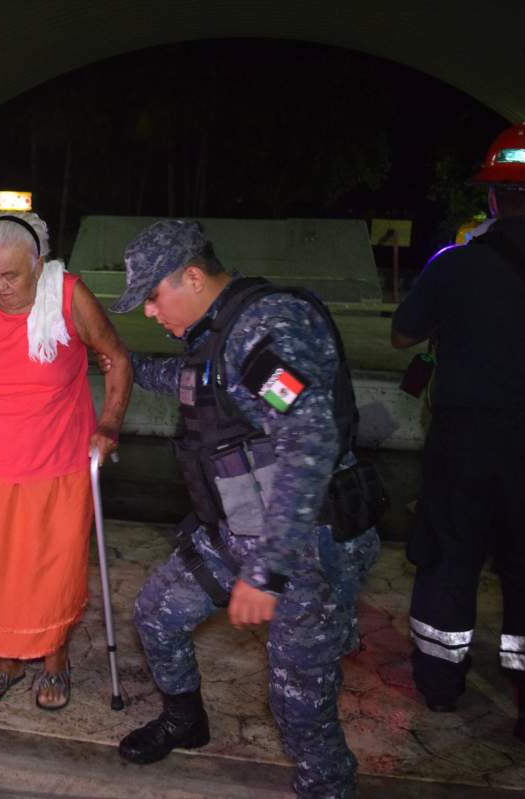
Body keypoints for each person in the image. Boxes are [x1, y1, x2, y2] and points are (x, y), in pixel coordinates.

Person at [111, 220, 379, 799]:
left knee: (299, 697)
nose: (151, 313)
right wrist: (114, 358)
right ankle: (187, 720)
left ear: (192, 275)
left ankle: (327, 787)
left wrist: (267, 571)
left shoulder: (267, 329)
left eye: (154, 298)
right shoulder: (217, 333)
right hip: (237, 528)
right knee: (158, 615)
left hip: (303, 542)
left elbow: (309, 439)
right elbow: (192, 382)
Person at [393, 118, 525, 745]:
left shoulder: (455, 264)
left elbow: (403, 334)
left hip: (462, 445)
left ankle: (441, 686)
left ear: (493, 198)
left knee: (449, 560)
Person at [0, 212, 132, 710]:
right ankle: (6, 660)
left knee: (50, 568)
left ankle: (54, 661)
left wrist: (109, 423)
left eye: (11, 276)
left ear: (38, 265)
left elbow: (117, 359)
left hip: (56, 461)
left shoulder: (67, 295)